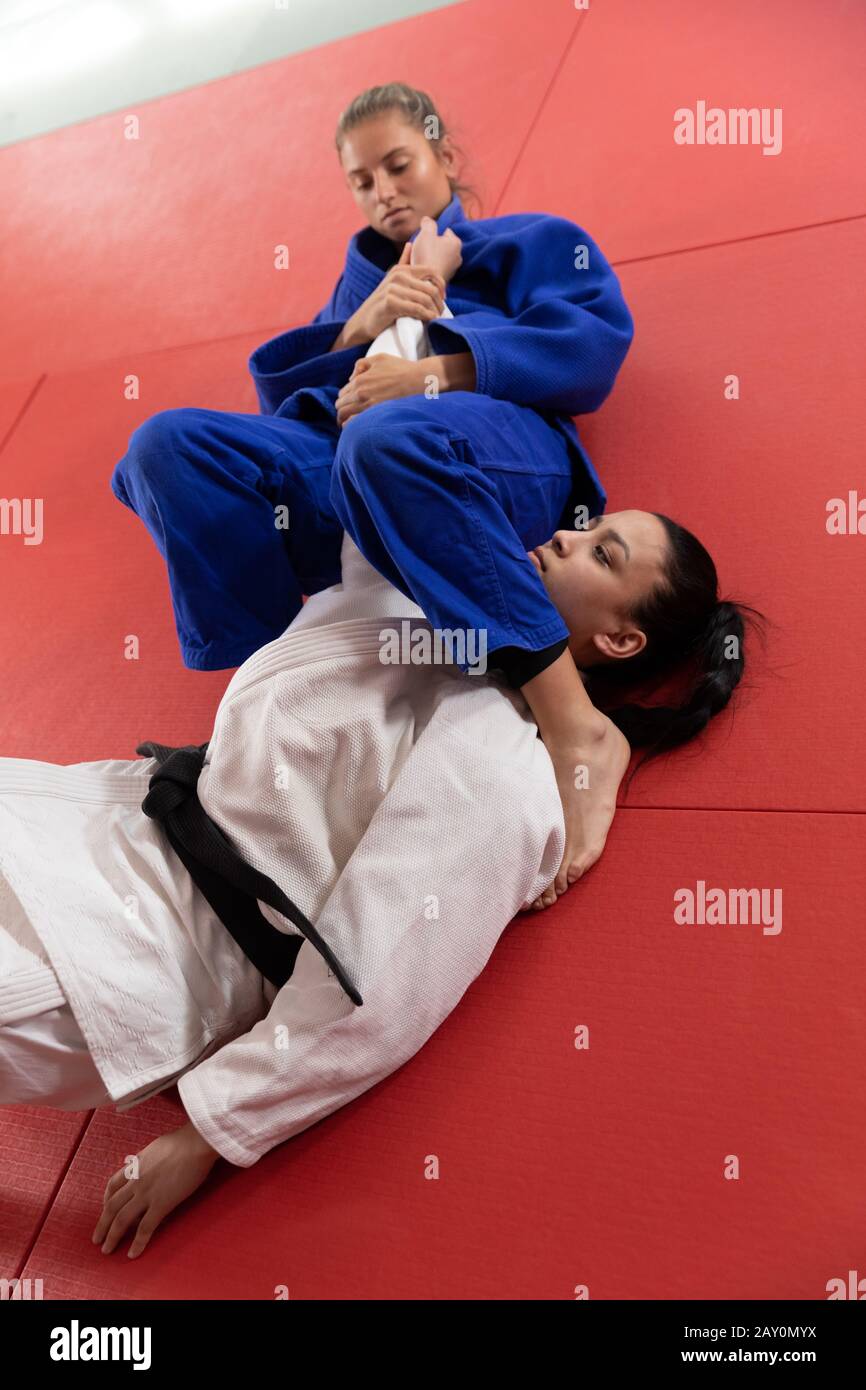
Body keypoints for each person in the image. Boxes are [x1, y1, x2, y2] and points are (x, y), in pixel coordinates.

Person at [0, 289, 761, 1259]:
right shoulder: (409, 588)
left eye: (600, 550)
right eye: (588, 521)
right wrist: (406, 312)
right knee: (173, 443)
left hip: (154, 950)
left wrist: (212, 1131)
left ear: (618, 634)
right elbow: (395, 446)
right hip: (95, 826)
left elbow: (384, 966)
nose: (567, 531)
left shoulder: (504, 765)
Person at [109, 81, 638, 907]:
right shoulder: (362, 281)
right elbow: (289, 418)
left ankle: (577, 725)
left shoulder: (527, 242)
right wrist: (358, 327)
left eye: (399, 165)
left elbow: (592, 348)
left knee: (387, 435)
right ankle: (271, 705)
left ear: (445, 157)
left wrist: (426, 374)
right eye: (362, 181)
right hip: (348, 460)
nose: (383, 191)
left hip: (492, 451)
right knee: (168, 445)